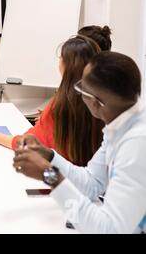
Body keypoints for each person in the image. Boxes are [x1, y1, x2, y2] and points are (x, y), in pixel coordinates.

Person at [13, 51, 146, 234]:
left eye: (82, 90)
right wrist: (49, 156)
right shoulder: (120, 125)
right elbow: (92, 184)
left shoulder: (136, 144)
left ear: (96, 103)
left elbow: (109, 230)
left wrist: (49, 175)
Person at [0, 36, 104, 166]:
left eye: (61, 58)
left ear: (67, 65)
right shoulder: (103, 102)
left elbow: (29, 145)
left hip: (56, 178)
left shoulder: (61, 105)